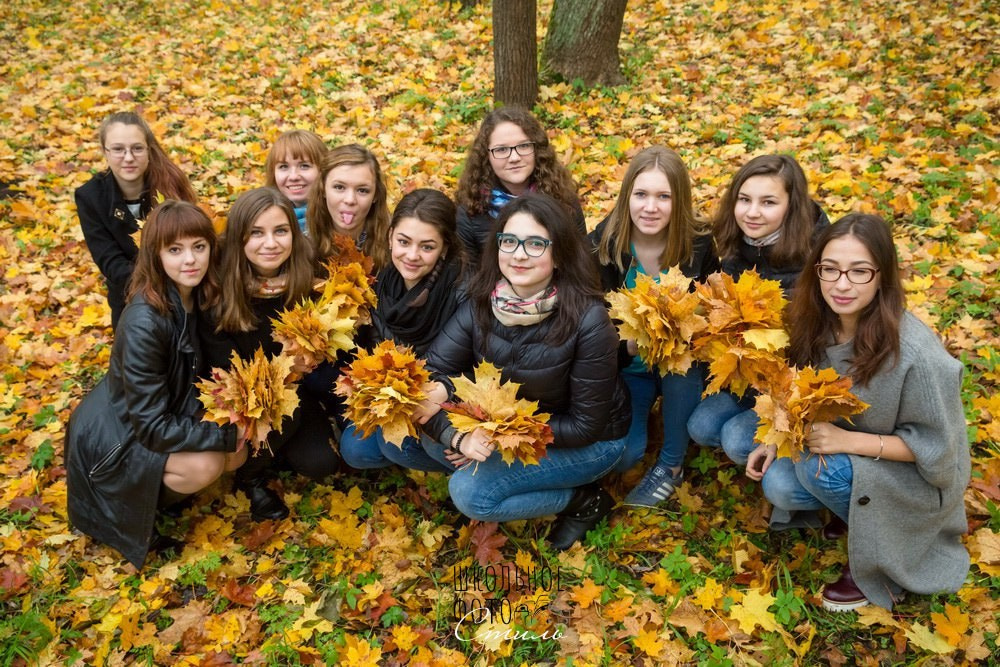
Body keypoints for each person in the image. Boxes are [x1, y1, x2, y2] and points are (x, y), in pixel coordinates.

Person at [746, 213, 970, 611]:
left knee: (815, 468)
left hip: (916, 479)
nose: (842, 284)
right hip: (854, 455)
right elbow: (802, 393)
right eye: (830, 269)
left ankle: (881, 559)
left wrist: (848, 441)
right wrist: (774, 438)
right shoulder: (817, 323)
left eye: (859, 271)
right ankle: (852, 514)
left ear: (882, 276)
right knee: (779, 482)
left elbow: (939, 454)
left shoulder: (916, 355)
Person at [416, 193, 630, 550]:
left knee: (470, 494)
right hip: (511, 427)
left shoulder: (589, 320)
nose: (518, 254)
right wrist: (459, 435)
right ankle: (498, 474)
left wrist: (493, 437)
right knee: (432, 439)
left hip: (589, 443)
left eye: (535, 244)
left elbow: (584, 426)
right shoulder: (483, 301)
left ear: (558, 254)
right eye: (510, 241)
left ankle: (583, 500)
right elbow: (434, 371)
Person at [66, 200, 246, 569]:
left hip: (163, 413)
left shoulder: (195, 295)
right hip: (117, 440)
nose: (190, 260)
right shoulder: (144, 322)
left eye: (199, 246)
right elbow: (149, 426)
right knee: (208, 462)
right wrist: (225, 434)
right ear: (156, 255)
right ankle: (136, 502)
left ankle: (162, 492)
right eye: (174, 250)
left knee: (236, 453)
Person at [591, 147, 719, 508]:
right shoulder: (602, 246)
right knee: (625, 456)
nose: (651, 207)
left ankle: (671, 465)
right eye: (641, 194)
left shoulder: (698, 244)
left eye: (664, 196)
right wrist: (627, 348)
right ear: (626, 196)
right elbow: (590, 329)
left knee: (681, 365)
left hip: (681, 365)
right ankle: (643, 422)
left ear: (679, 201)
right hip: (629, 366)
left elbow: (716, 302)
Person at [202, 187, 339, 521]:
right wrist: (282, 373)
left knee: (320, 462)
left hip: (296, 393)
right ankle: (251, 476)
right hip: (242, 401)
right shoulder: (219, 290)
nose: (270, 243)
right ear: (239, 238)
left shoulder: (309, 275)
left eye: (280, 231)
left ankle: (278, 450)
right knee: (277, 417)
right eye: (256, 233)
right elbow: (223, 372)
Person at [687, 154, 829, 472]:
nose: (752, 212)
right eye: (744, 199)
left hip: (795, 385)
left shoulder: (817, 255)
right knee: (701, 426)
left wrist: (782, 416)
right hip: (752, 377)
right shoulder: (739, 243)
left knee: (736, 440)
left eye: (768, 202)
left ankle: (787, 461)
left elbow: (818, 354)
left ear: (792, 207)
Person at [339, 189, 466, 473]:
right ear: (390, 236)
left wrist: (447, 397)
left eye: (427, 247)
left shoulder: (461, 290)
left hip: (448, 399)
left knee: (396, 445)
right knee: (356, 448)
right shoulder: (381, 280)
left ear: (444, 248)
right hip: (402, 394)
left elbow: (479, 365)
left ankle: (474, 472)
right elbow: (376, 347)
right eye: (403, 241)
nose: (412, 255)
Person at [75, 111, 199, 329]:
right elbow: (111, 262)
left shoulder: (171, 184)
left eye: (137, 148)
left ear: (149, 149)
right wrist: (158, 284)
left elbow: (195, 240)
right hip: (131, 297)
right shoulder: (91, 196)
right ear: (105, 152)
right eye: (118, 149)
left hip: (186, 291)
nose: (129, 157)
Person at [454, 107, 586, 264]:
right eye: (501, 149)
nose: (514, 157)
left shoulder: (564, 198)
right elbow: (467, 274)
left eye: (523, 146)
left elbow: (581, 262)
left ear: (537, 149)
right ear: (486, 156)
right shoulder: (470, 209)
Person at [306, 143, 391, 270]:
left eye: (362, 190)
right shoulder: (303, 243)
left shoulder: (394, 243)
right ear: (323, 189)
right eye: (339, 187)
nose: (350, 200)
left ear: (375, 195)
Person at [264, 129, 326, 232]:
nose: (293, 177)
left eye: (304, 166)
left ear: (322, 170)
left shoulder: (337, 220)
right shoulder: (260, 219)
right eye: (284, 166)